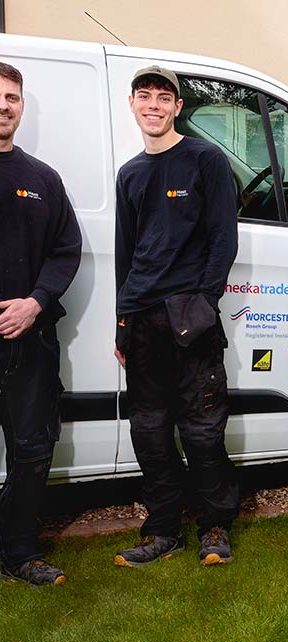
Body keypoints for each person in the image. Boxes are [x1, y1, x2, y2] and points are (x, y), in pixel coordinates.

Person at [113, 66, 239, 568]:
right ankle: (163, 530)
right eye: (144, 96)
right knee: (149, 432)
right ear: (132, 104)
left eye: (163, 98)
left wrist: (205, 302)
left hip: (191, 317)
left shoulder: (205, 159)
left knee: (203, 431)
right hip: (142, 319)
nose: (154, 105)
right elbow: (125, 253)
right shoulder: (130, 174)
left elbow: (223, 238)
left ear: (177, 107)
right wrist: (122, 320)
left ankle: (214, 527)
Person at [0, 61, 82, 586]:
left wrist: (35, 302)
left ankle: (21, 552)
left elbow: (66, 250)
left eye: (11, 97)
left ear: (22, 106)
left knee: (32, 450)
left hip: (28, 340)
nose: (3, 106)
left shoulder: (41, 179)